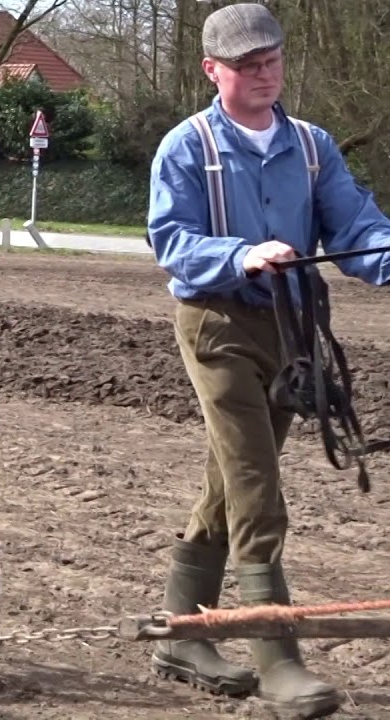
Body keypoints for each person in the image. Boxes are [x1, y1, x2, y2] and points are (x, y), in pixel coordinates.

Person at [147, 4, 390, 718]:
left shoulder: (312, 147)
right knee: (255, 481)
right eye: (248, 65)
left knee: (230, 480)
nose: (264, 75)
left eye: (273, 61)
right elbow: (172, 240)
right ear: (212, 70)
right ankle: (277, 660)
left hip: (293, 331)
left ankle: (180, 636)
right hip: (217, 324)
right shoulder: (187, 147)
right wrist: (243, 254)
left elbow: (357, 226)